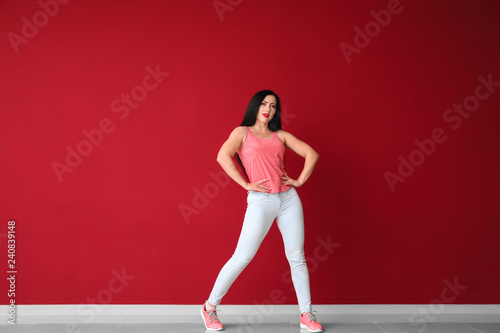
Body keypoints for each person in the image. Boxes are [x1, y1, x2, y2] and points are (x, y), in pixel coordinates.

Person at [200, 90, 323, 332]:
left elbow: (312, 154)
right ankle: (209, 307)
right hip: (261, 200)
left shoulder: (281, 136)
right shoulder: (241, 132)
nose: (268, 109)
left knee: (297, 256)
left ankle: (306, 314)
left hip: (288, 199)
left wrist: (298, 181)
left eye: (274, 106)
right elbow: (222, 156)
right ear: (255, 106)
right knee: (242, 256)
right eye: (264, 104)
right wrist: (246, 184)